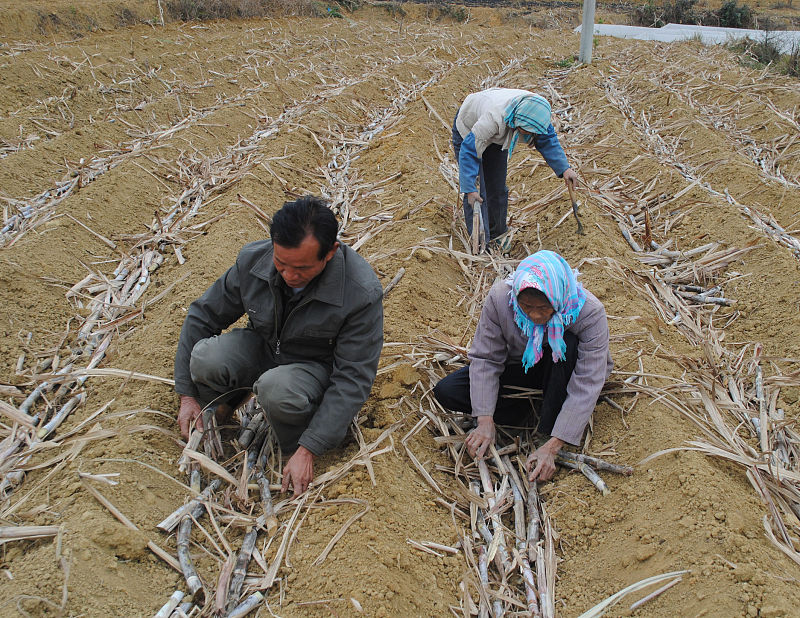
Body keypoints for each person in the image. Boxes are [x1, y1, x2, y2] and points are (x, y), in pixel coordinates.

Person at [173, 196, 384, 497]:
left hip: (313, 370)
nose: (288, 276)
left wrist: (310, 447)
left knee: (276, 388)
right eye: (281, 264)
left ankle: (293, 444)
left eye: (301, 269)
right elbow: (203, 316)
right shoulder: (253, 261)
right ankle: (219, 410)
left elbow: (352, 380)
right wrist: (188, 395)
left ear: (331, 253)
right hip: (265, 346)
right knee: (207, 357)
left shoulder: (359, 293)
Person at [433, 250, 612, 482]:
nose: (535, 316)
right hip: (522, 367)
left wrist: (554, 446)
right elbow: (486, 359)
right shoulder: (501, 299)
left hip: (562, 372)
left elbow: (588, 381)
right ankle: (519, 413)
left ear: (558, 298)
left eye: (544, 308)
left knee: (567, 344)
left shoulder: (589, 312)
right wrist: (484, 419)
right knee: (447, 391)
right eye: (527, 306)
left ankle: (547, 428)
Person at [453, 88, 579, 246]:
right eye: (524, 131)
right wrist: (470, 188)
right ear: (516, 123)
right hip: (469, 131)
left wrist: (564, 169)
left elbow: (547, 140)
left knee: (497, 188)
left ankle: (497, 235)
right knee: (477, 192)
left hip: (497, 138)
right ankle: (479, 245)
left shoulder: (538, 115)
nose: (528, 135)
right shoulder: (494, 118)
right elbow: (469, 150)